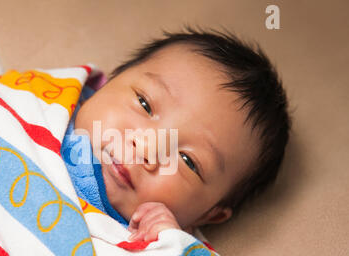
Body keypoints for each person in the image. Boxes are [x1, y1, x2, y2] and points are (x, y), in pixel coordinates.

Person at [63, 26, 291, 243]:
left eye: (187, 161)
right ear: (106, 84)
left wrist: (167, 245)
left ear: (207, 215)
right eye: (144, 104)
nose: (146, 148)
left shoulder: (153, 252)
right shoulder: (45, 103)